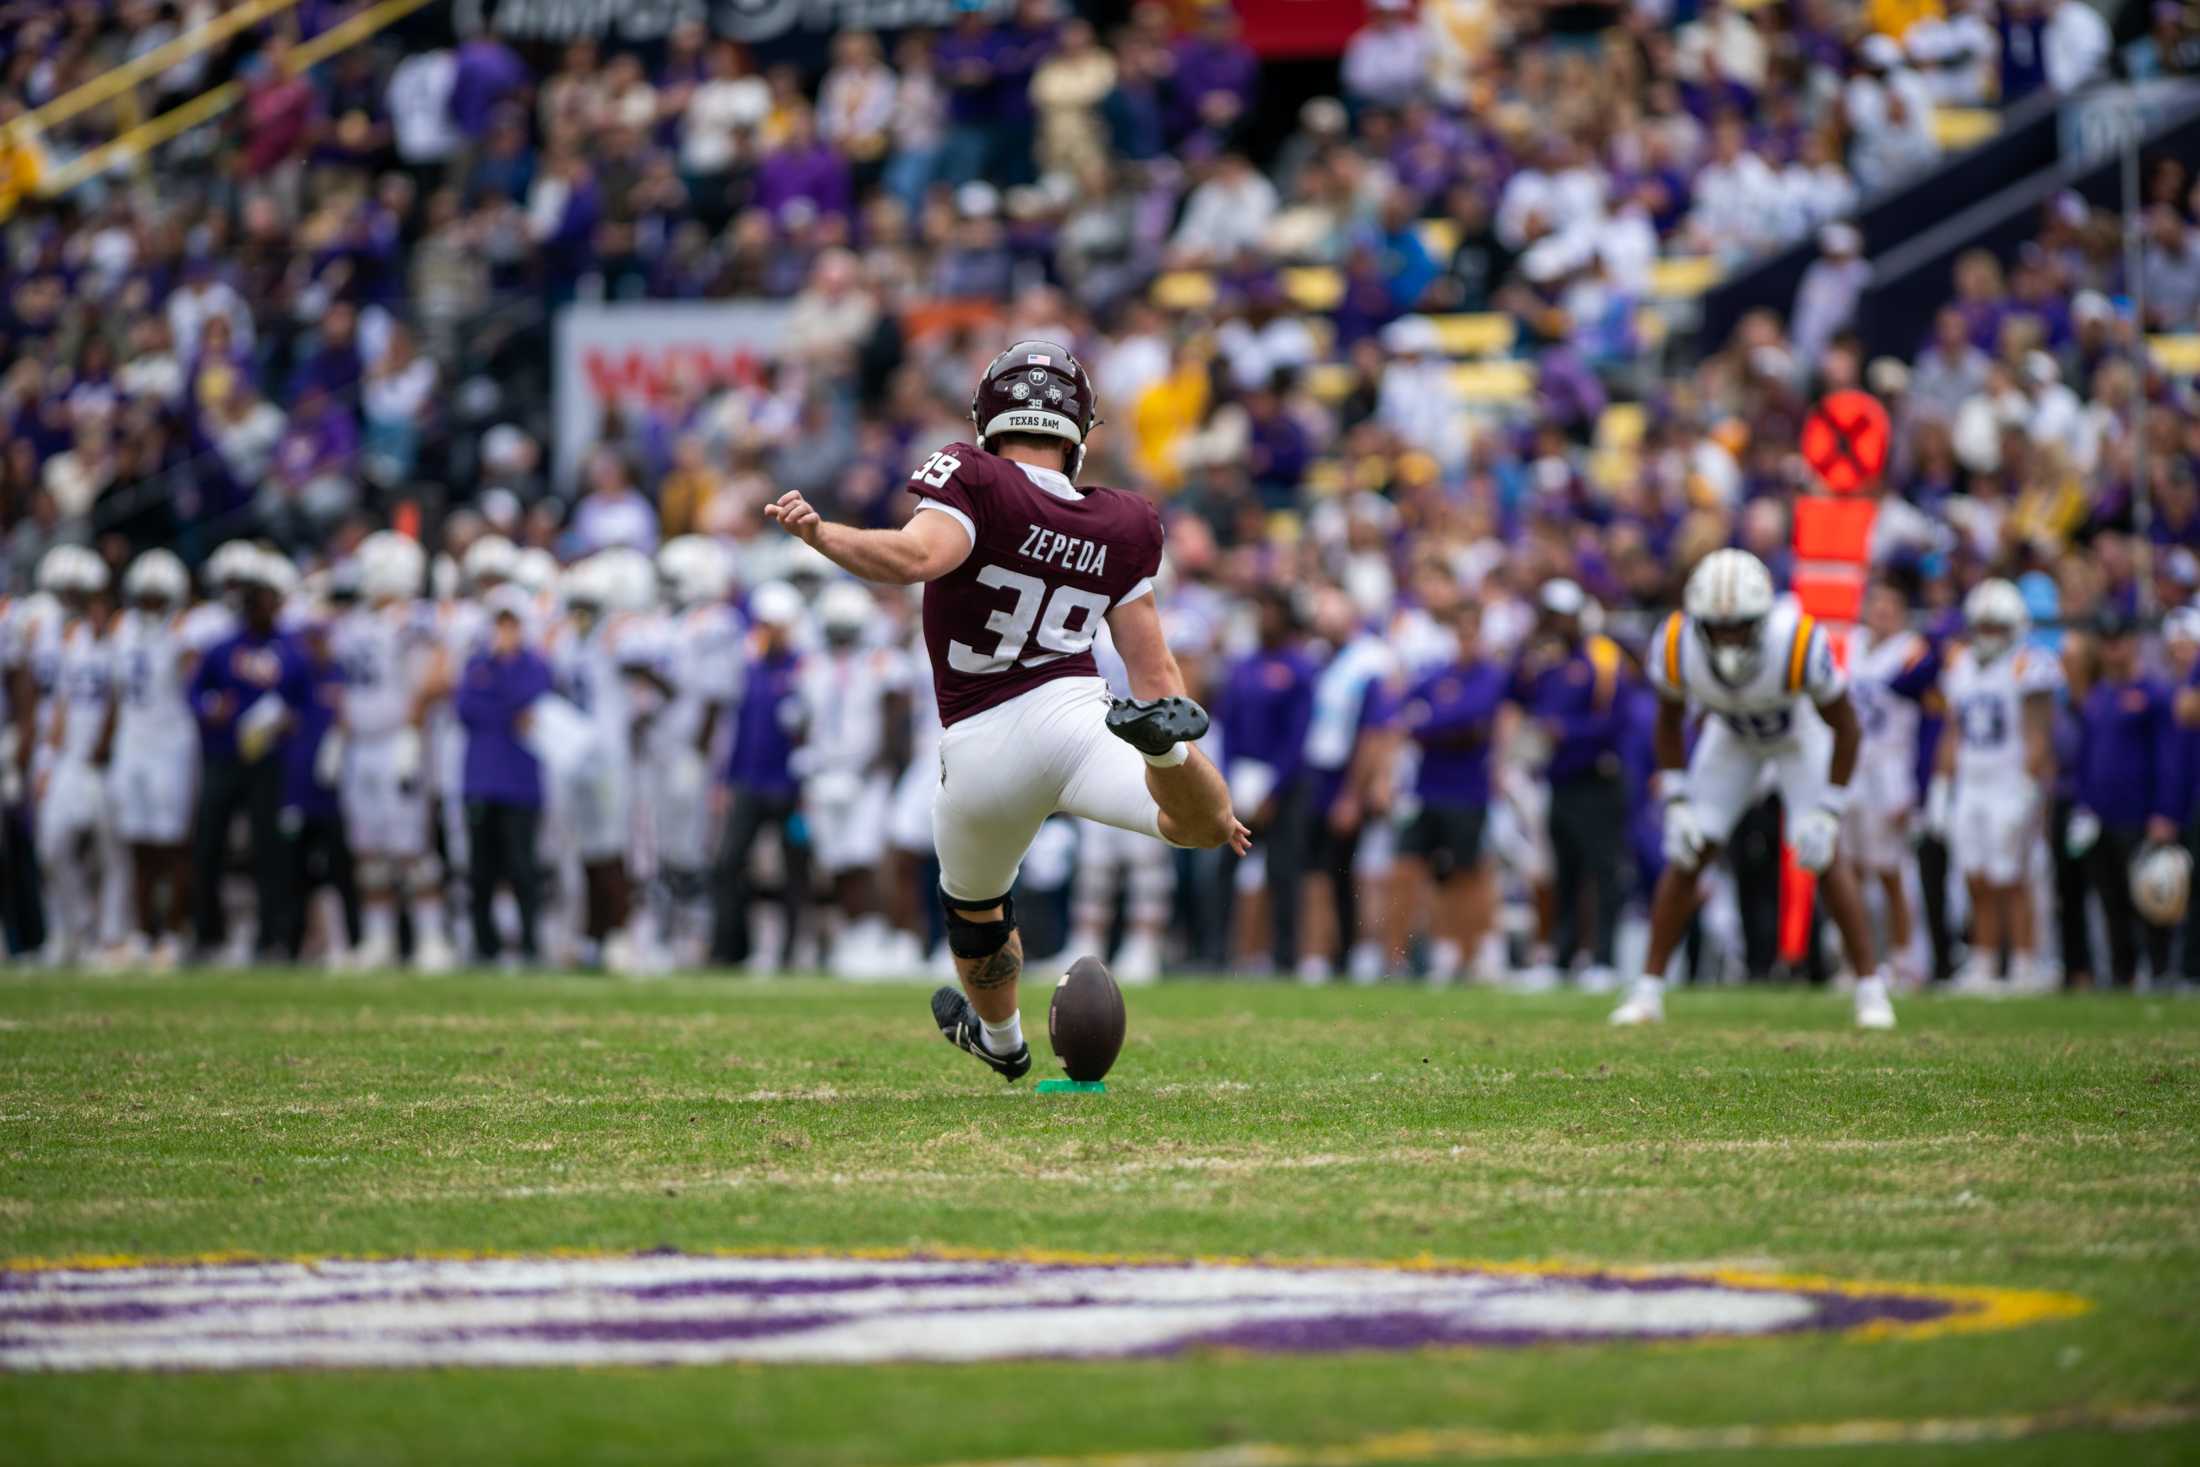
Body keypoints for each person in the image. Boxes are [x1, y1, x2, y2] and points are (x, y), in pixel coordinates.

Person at [763, 339, 1246, 1083]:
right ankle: (1165, 756)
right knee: (1201, 824)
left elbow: (917, 558)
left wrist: (825, 535)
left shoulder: (974, 474)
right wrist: (1166, 740)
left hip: (983, 740)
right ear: (1078, 429)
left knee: (977, 908)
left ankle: (1002, 1039)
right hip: (1082, 717)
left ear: (992, 413)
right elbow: (1158, 677)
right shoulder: (1122, 520)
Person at [1613, 550, 1898, 1029]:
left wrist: (1829, 807)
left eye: (1739, 625)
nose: (1727, 638)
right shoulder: (1676, 642)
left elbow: (1846, 728)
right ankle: (1647, 992)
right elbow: (1667, 721)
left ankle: (1871, 990)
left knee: (1822, 853)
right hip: (1731, 738)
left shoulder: (1798, 641)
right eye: (1716, 627)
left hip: (1798, 738)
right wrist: (1678, 798)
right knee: (1689, 850)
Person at [1928, 580, 2060, 993]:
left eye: (1995, 627)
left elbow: (2039, 732)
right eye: (1982, 626)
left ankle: (2023, 965)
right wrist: (1941, 787)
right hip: (1973, 782)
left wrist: (2027, 785)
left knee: (2013, 877)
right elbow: (1952, 733)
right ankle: (1984, 964)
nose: (1987, 635)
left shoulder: (2029, 663)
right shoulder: (1960, 664)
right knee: (1975, 876)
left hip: (2009, 781)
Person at [331, 533, 451, 973]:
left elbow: (439, 673)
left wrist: (412, 730)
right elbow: (347, 686)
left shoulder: (412, 620)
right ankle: (378, 939)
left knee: (411, 847)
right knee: (369, 848)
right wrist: (338, 735)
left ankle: (431, 938)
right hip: (362, 744)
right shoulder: (354, 622)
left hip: (398, 742)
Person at [187, 550, 310, 963]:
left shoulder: (292, 651)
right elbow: (194, 693)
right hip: (223, 756)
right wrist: (211, 708)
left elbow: (306, 703)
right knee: (208, 846)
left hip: (269, 762)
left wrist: (291, 720)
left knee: (270, 851)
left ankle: (272, 938)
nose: (264, 606)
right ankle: (207, 934)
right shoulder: (222, 648)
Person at [1510, 579, 1628, 991]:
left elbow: (1615, 721)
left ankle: (1604, 958)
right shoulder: (1549, 662)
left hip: (1596, 778)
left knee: (1602, 869)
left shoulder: (1602, 658)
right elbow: (1518, 693)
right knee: (1564, 872)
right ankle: (1560, 957)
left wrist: (1568, 731)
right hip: (1559, 780)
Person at [1383, 595, 1506, 985]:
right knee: (1408, 868)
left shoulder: (1490, 675)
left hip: (1467, 791)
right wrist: (1434, 726)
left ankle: (1466, 952)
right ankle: (1398, 958)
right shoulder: (1440, 675)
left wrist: (1428, 726)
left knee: (1466, 875)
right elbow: (1402, 712)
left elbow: (1470, 720)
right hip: (1428, 790)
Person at [2068, 611, 2181, 987]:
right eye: (2106, 641)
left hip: (2139, 813)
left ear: (2132, 643)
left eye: (2118, 640)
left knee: (2149, 898)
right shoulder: (2098, 696)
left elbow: (2168, 756)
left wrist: (2165, 809)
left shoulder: (2153, 693)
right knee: (2110, 898)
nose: (2113, 648)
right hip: (2101, 814)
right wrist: (2083, 805)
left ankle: (2161, 969)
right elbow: (2086, 756)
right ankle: (2122, 974)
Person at [107, 550, 198, 968]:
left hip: (171, 744)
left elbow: (196, 676)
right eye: (145, 597)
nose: (150, 605)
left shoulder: (185, 630)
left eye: (158, 598)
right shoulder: (123, 629)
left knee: (172, 843)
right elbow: (116, 692)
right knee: (138, 842)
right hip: (133, 742)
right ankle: (143, 933)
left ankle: (174, 935)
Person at [457, 594, 553, 967]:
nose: (505, 632)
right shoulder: (477, 663)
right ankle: (485, 946)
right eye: (501, 624)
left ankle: (530, 943)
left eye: (511, 624)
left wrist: (501, 683)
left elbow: (530, 704)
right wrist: (505, 700)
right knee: (481, 869)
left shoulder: (534, 665)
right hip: (481, 778)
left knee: (523, 867)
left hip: (520, 781)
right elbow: (466, 708)